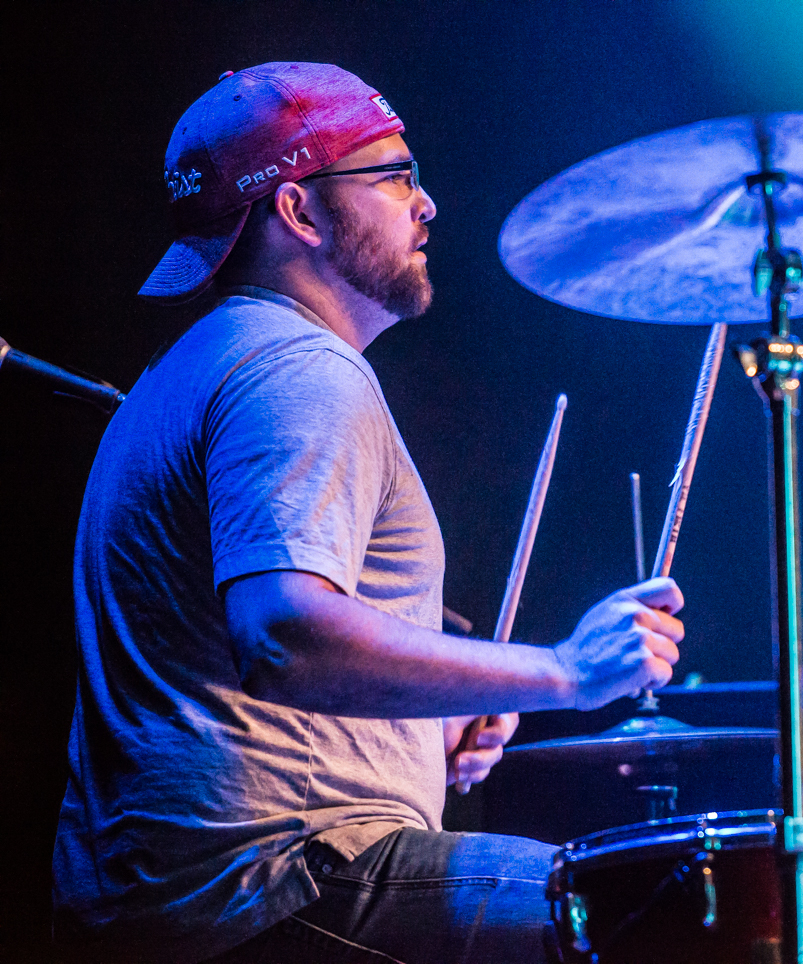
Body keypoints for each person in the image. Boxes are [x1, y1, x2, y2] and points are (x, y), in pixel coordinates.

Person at [52, 62, 684, 964]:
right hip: (275, 882)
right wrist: (565, 671)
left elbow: (225, 666)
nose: (426, 204)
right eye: (394, 176)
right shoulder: (298, 368)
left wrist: (423, 721)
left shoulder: (190, 366)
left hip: (168, 897)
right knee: (638, 919)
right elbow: (285, 638)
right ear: (300, 212)